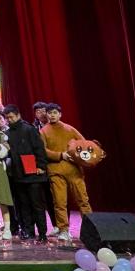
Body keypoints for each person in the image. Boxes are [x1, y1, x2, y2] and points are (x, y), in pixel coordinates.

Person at [41, 104, 92, 242]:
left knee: (83, 200)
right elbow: (42, 150)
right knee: (59, 202)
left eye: (54, 112)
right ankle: (63, 230)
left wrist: (75, 155)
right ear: (46, 115)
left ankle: (91, 229)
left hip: (74, 170)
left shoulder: (69, 129)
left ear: (60, 114)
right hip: (55, 171)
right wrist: (60, 155)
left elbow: (84, 144)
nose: (52, 115)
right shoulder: (43, 131)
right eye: (49, 113)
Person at [4, 105, 49, 242]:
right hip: (18, 174)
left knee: (37, 205)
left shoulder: (29, 129)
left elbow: (39, 148)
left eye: (11, 117)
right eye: (7, 118)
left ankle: (42, 233)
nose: (9, 120)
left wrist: (41, 166)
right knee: (23, 205)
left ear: (18, 115)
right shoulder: (7, 133)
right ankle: (28, 231)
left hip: (33, 173)